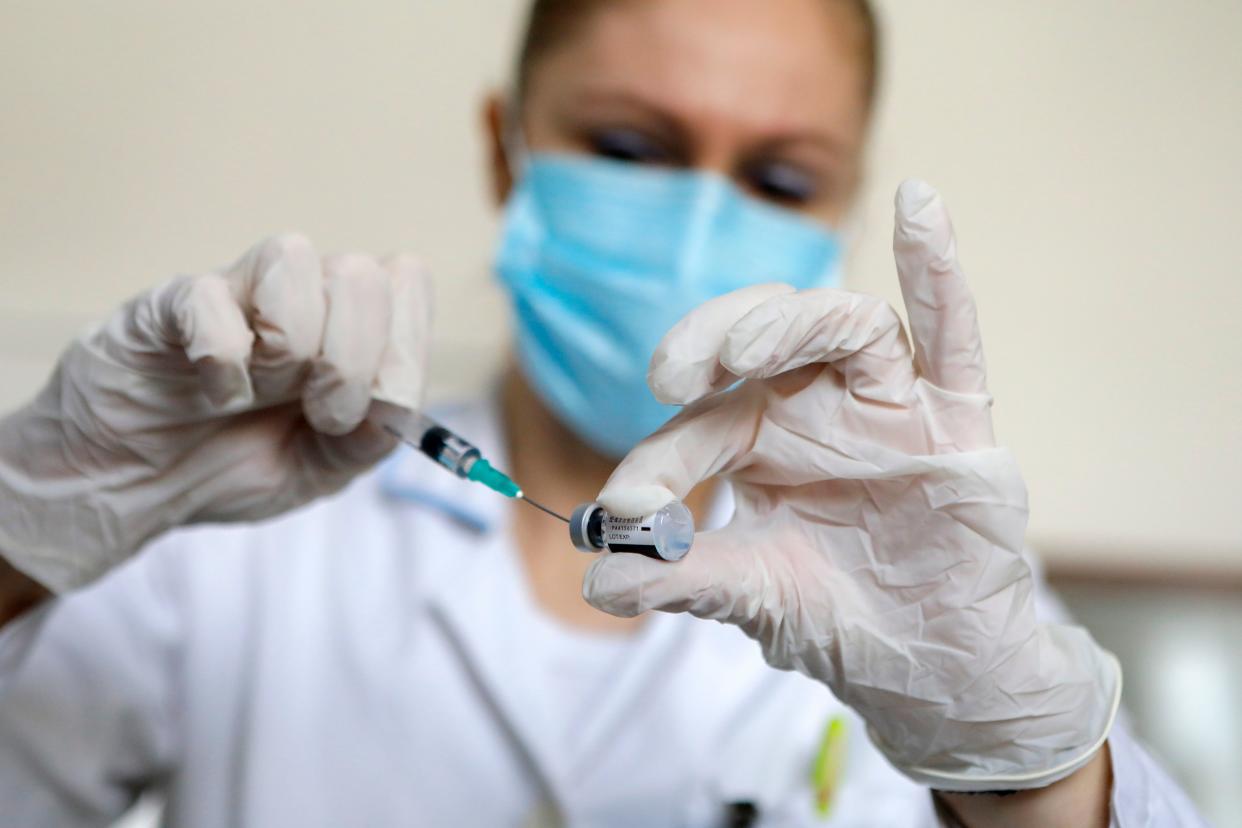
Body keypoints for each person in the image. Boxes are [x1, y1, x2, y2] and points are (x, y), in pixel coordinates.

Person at [0, 0, 1207, 825]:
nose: (694, 221)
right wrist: (16, 537)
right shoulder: (248, 530)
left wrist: (1031, 782)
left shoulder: (931, 587)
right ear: (503, 148)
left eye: (780, 179)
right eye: (631, 147)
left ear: (838, 204)